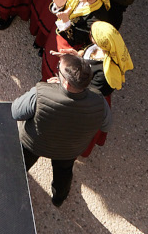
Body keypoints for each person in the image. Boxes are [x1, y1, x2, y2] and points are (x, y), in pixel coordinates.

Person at [11, 53, 109, 207]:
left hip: (34, 144)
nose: (57, 71)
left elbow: (16, 111)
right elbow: (106, 125)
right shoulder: (99, 101)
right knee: (63, 175)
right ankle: (58, 199)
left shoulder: (41, 93)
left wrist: (49, 87)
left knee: (19, 166)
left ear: (67, 84)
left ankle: (14, 185)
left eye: (58, 69)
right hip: (68, 151)